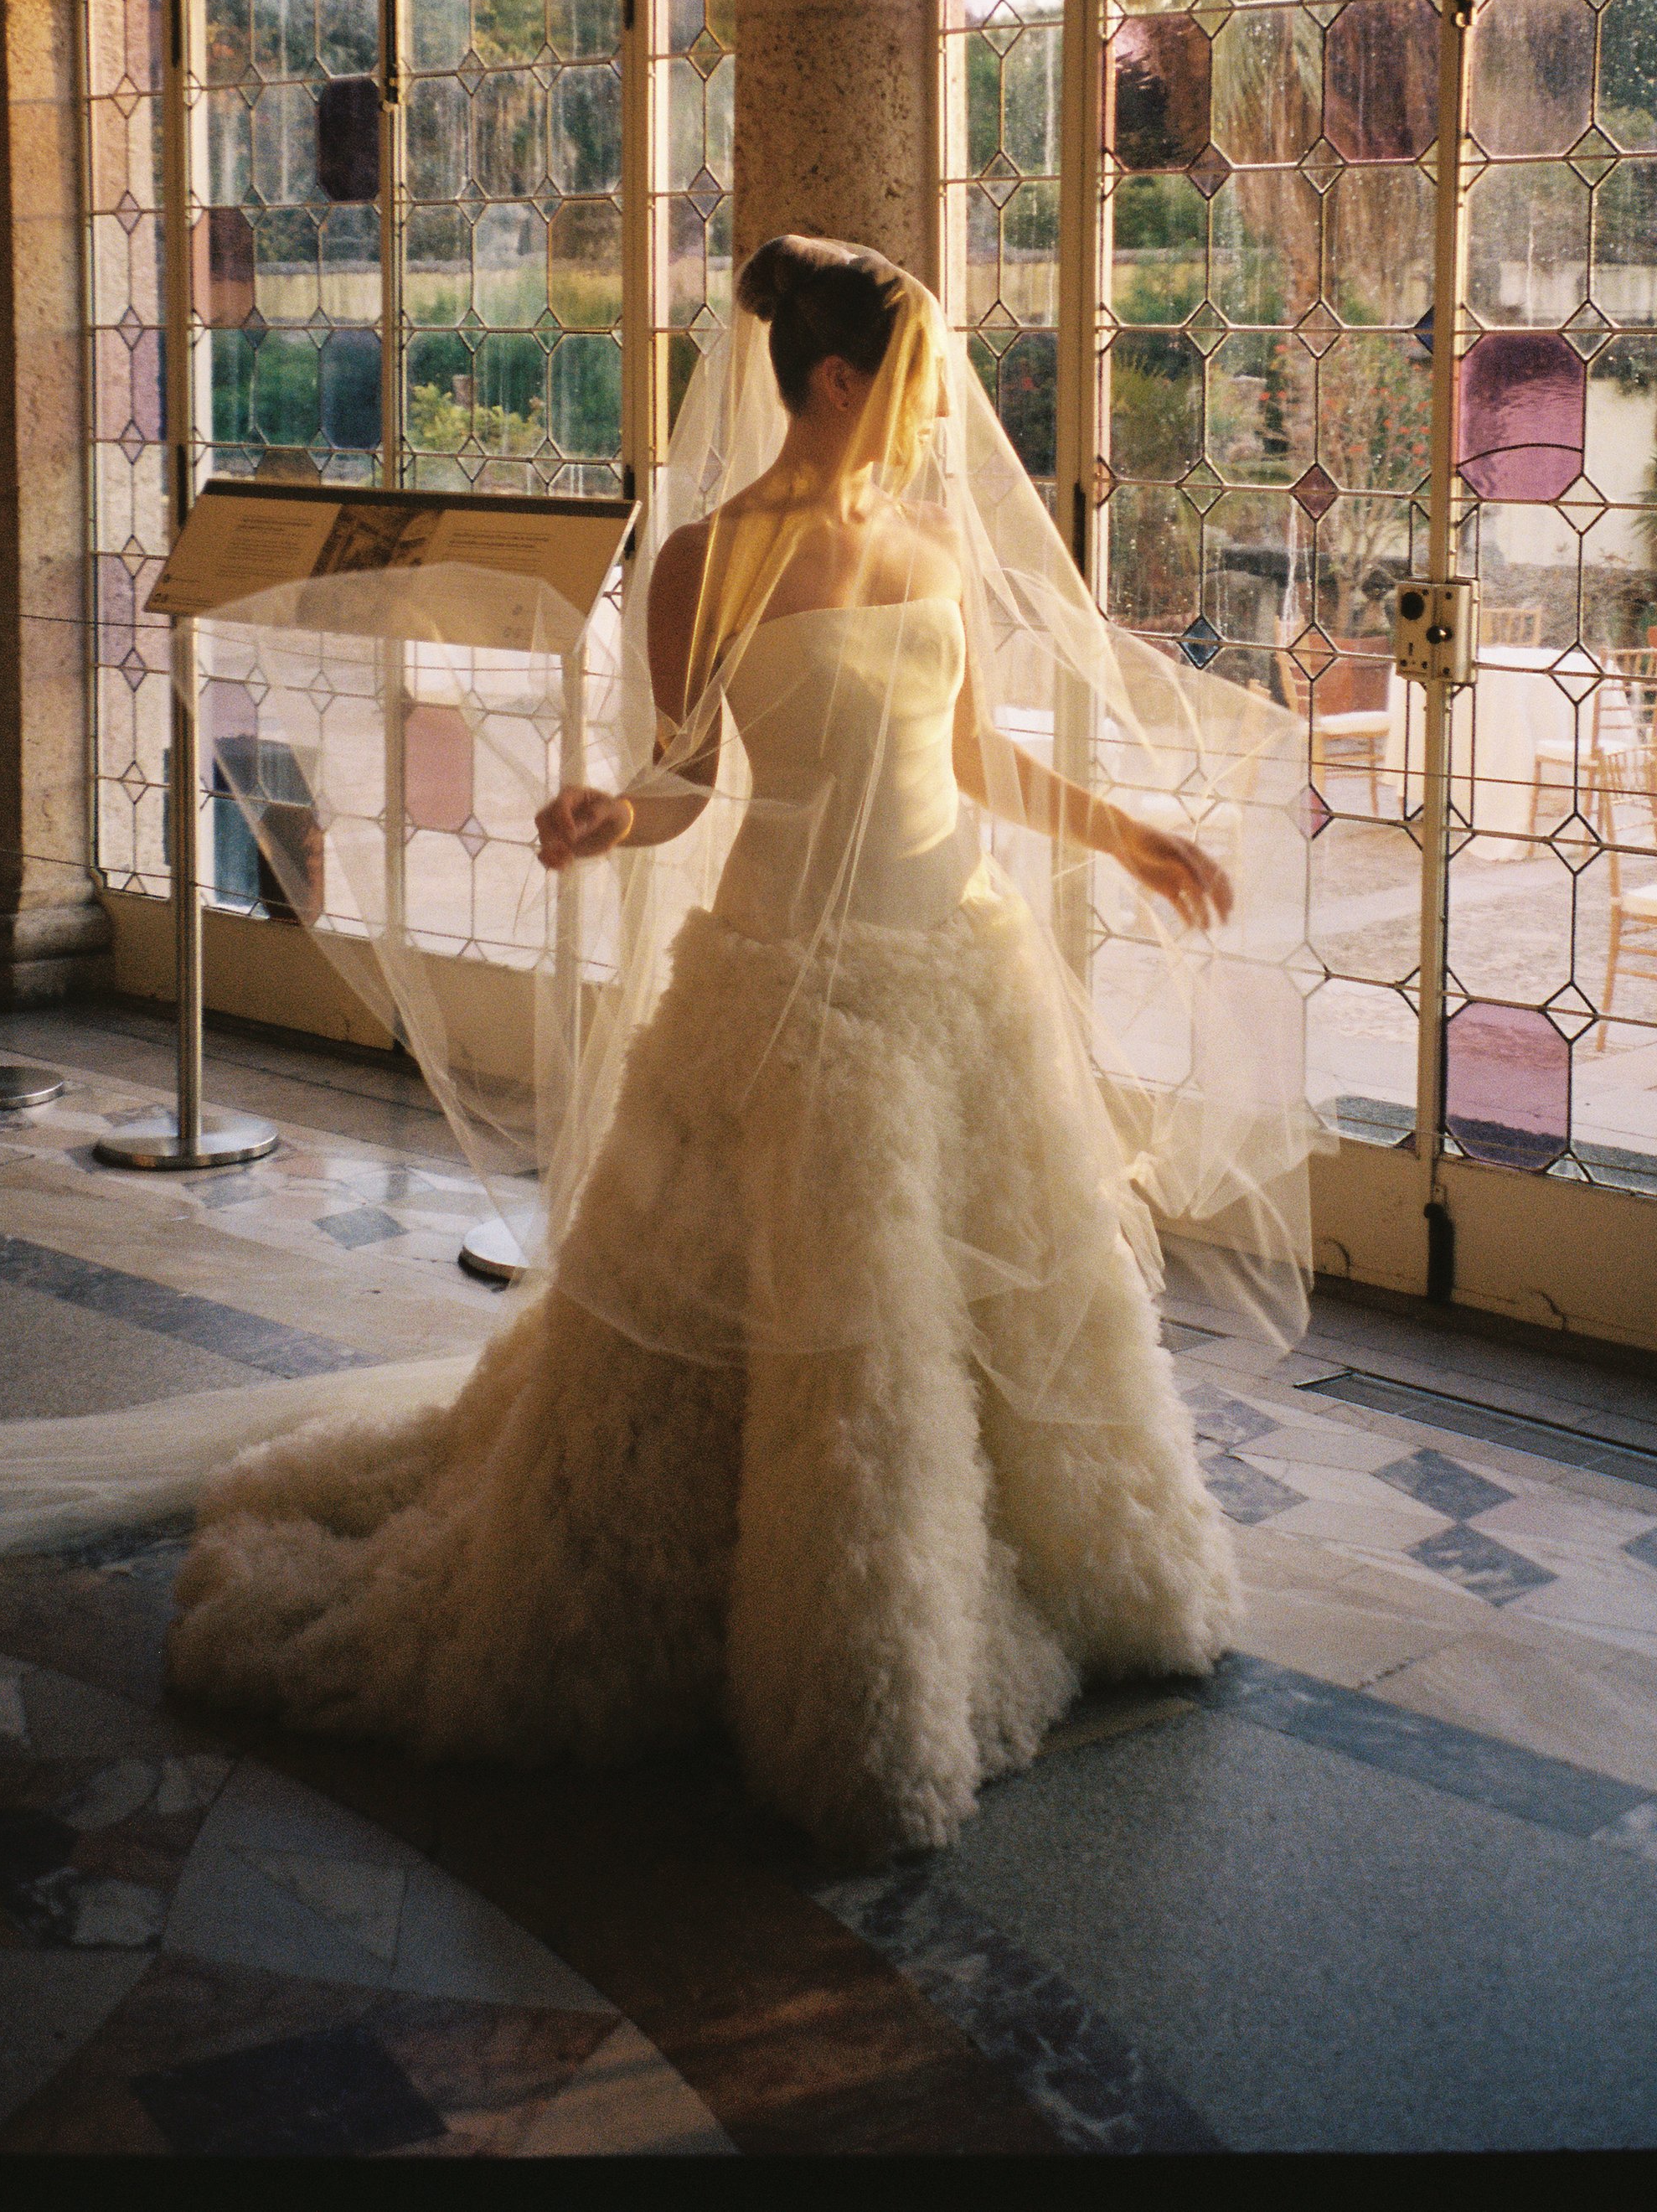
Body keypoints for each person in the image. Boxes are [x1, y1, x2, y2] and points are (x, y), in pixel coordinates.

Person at [160, 238, 1313, 1858]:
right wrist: (606, 815)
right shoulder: (703, 561)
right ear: (836, 380)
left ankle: (1057, 1572)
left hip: (956, 963)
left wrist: (1125, 835)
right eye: (911, 381)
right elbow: (690, 777)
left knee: (999, 1294)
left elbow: (973, 750)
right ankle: (841, 1666)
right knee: (836, 1335)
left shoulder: (926, 548)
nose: (933, 416)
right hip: (788, 986)